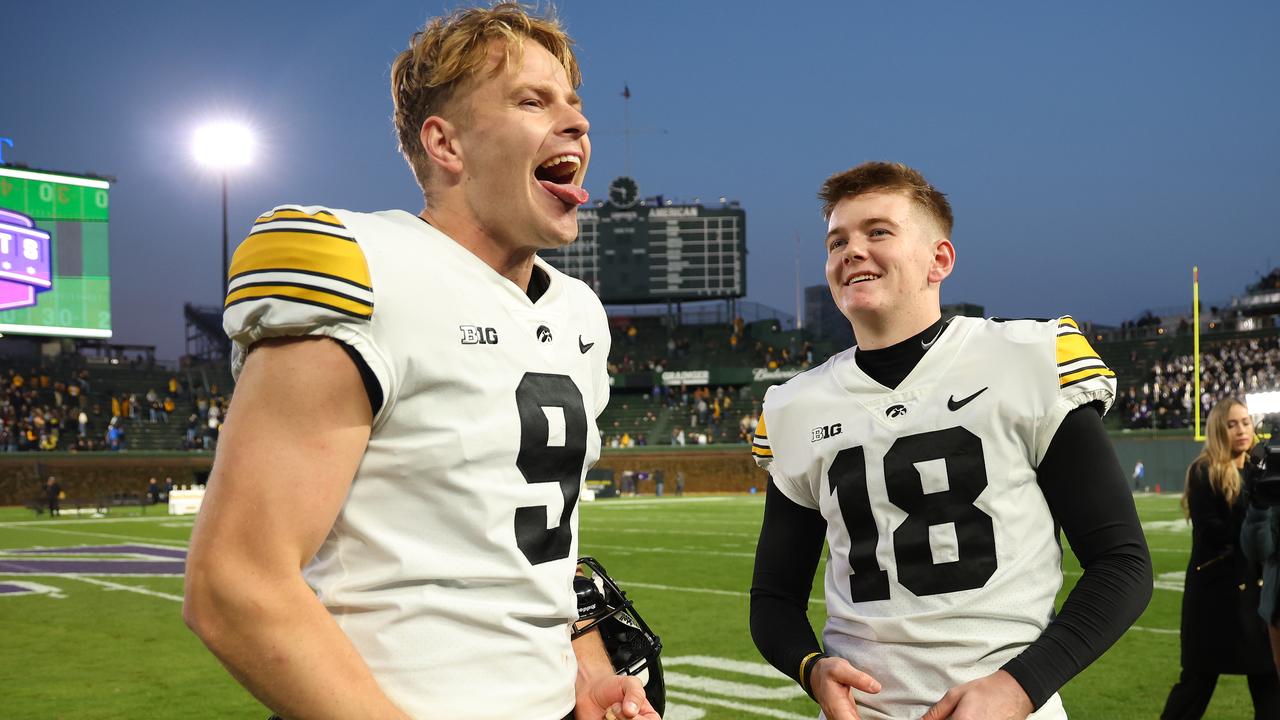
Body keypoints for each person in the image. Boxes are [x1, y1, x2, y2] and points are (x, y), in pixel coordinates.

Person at [182, 5, 657, 720]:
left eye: (572, 102)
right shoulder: (363, 269)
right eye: (532, 100)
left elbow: (531, 552)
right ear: (446, 143)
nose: (577, 123)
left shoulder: (579, 316)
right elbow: (234, 584)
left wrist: (583, 666)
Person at [749, 162, 1153, 720]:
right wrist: (811, 668)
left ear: (940, 259)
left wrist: (1018, 687)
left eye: (878, 232)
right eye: (837, 240)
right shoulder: (795, 406)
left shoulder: (1028, 358)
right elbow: (773, 599)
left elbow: (1122, 565)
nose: (851, 250)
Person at [1161, 399, 1278, 718]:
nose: (1242, 430)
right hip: (1215, 597)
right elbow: (1216, 531)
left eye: (1245, 422)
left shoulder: (1261, 469)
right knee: (1197, 683)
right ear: (1217, 430)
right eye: (1232, 424)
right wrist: (1258, 503)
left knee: (1270, 685)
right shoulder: (1204, 471)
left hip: (1256, 597)